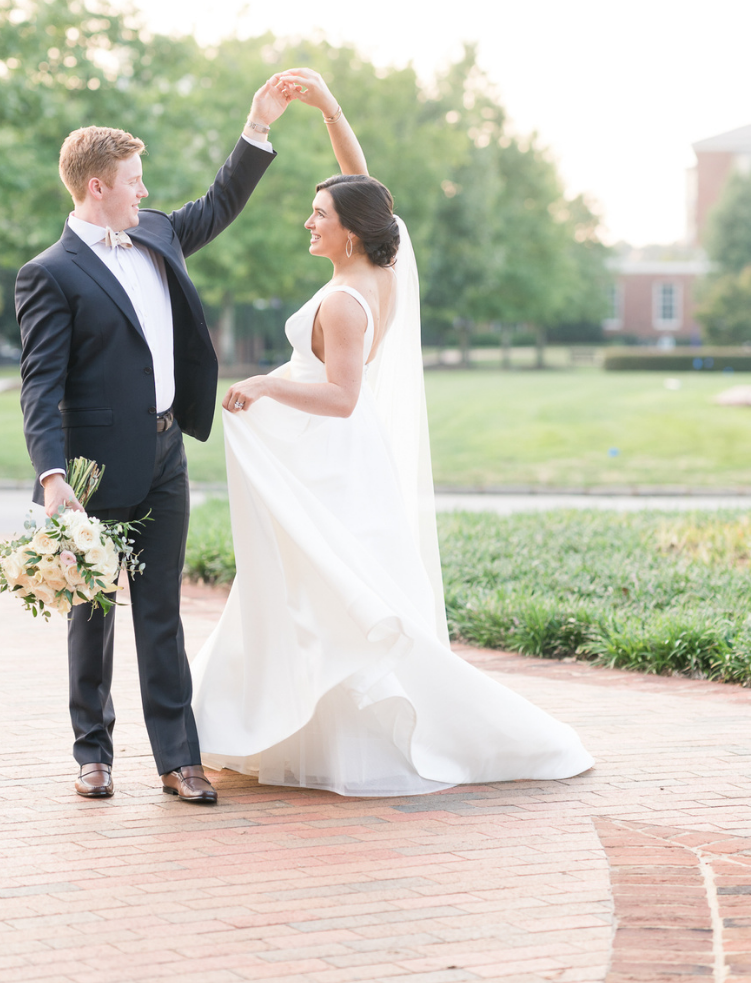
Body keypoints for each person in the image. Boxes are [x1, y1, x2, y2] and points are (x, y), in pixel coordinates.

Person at [191, 70, 593, 797]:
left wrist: (262, 383)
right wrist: (328, 110)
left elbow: (341, 396)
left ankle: (353, 741)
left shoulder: (347, 300)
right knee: (313, 589)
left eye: (318, 214)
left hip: (333, 456)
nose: (308, 223)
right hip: (338, 457)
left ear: (349, 229)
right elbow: (363, 182)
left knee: (329, 592)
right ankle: (288, 730)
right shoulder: (385, 258)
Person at [15, 84, 289, 806]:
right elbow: (39, 386)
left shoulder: (159, 232)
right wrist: (52, 476)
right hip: (93, 468)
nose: (146, 191)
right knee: (93, 610)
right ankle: (93, 755)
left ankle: (177, 759)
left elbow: (219, 203)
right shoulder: (48, 275)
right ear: (97, 187)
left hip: (169, 453)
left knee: (161, 611)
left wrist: (256, 125)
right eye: (134, 181)